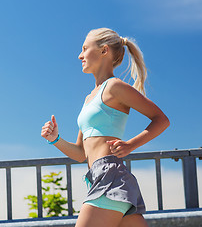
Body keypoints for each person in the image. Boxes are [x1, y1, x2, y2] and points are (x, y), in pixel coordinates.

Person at [41, 28, 170, 227]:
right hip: (99, 178)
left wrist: (130, 145)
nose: (80, 55)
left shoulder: (114, 87)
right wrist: (55, 139)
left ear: (104, 51)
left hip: (109, 176)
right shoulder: (89, 98)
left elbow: (161, 119)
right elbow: (81, 153)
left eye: (85, 48)